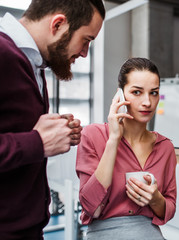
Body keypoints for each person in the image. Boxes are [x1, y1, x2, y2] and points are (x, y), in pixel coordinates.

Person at [0, 0, 105, 239]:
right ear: (58, 24)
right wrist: (37, 142)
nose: (84, 53)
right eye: (86, 40)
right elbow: (31, 142)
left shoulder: (33, 63)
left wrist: (53, 132)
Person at [76, 58, 177, 239]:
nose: (147, 102)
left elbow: (168, 209)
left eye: (153, 93)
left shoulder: (165, 147)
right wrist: (113, 139)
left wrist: (155, 199)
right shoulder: (92, 135)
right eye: (137, 92)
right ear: (120, 96)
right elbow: (91, 207)